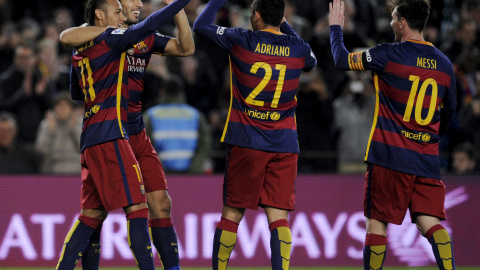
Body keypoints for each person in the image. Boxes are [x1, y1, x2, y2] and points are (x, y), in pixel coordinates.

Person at [55, 0, 191, 269]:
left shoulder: (135, 38)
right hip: (112, 132)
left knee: (109, 211)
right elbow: (66, 36)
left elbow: (186, 48)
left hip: (127, 132)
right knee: (134, 208)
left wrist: (180, 10)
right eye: (124, 4)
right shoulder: (113, 37)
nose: (138, 4)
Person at [329, 0, 457, 269]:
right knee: (430, 223)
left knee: (377, 224)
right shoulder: (445, 64)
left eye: (393, 17)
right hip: (425, 159)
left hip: (389, 156)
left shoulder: (388, 54)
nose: (389, 22)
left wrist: (336, 28)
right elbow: (449, 111)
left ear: (402, 23)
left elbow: (341, 60)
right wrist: (430, 139)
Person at [193, 0, 317, 269]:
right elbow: (312, 62)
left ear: (257, 16)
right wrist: (283, 22)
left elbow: (200, 25)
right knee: (279, 218)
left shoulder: (242, 40)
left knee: (232, 214)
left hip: (246, 141)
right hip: (284, 144)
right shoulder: (298, 48)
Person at [144, 75, 211, 174]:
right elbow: (205, 143)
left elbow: (144, 145)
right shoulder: (195, 115)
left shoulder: (150, 116)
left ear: (162, 92)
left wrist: (158, 169)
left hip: (161, 177)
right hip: (191, 177)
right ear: (181, 93)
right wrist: (195, 169)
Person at [35, 92, 82, 175]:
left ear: (71, 109)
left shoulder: (80, 122)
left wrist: (74, 129)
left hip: (75, 169)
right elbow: (40, 150)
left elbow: (85, 149)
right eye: (59, 106)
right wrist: (50, 131)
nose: (62, 109)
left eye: (65, 106)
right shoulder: (47, 124)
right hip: (52, 169)